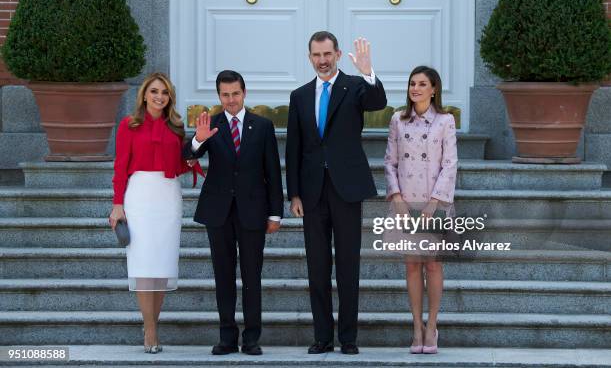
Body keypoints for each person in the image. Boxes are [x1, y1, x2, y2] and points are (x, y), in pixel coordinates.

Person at [285, 31, 387, 355]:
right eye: (316, 55)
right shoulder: (299, 96)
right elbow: (294, 149)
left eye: (327, 54)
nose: (322, 60)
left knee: (347, 266)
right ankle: (322, 337)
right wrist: (294, 194)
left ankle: (348, 338)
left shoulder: (355, 86)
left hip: (346, 189)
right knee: (317, 267)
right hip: (312, 193)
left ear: (338, 54)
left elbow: (378, 102)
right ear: (309, 57)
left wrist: (369, 72)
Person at [183, 70, 283, 356]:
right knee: (223, 275)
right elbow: (187, 156)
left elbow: (273, 172)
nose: (231, 100)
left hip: (253, 211)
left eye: (235, 94)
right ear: (219, 96)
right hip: (219, 212)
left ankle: (251, 338)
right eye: (225, 95)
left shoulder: (262, 126)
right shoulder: (210, 125)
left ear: (244, 93)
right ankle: (227, 337)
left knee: (252, 276)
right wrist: (198, 141)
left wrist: (275, 213)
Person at [109, 72, 203, 354]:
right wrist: (117, 204)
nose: (159, 97)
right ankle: (150, 330)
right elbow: (120, 166)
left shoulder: (175, 126)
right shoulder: (129, 125)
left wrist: (194, 155)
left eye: (164, 93)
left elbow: (178, 166)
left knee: (161, 267)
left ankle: (152, 324)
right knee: (143, 265)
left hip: (168, 197)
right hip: (139, 196)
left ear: (169, 97)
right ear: (145, 95)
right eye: (154, 92)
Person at [383, 66, 458, 354]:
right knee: (412, 264)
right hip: (406, 205)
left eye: (422, 84)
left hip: (434, 203)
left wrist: (435, 203)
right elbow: (389, 162)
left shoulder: (445, 121)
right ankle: (416, 327)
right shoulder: (398, 121)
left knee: (434, 264)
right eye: (412, 83)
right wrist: (397, 197)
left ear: (434, 89)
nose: (416, 88)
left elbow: (450, 163)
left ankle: (432, 326)